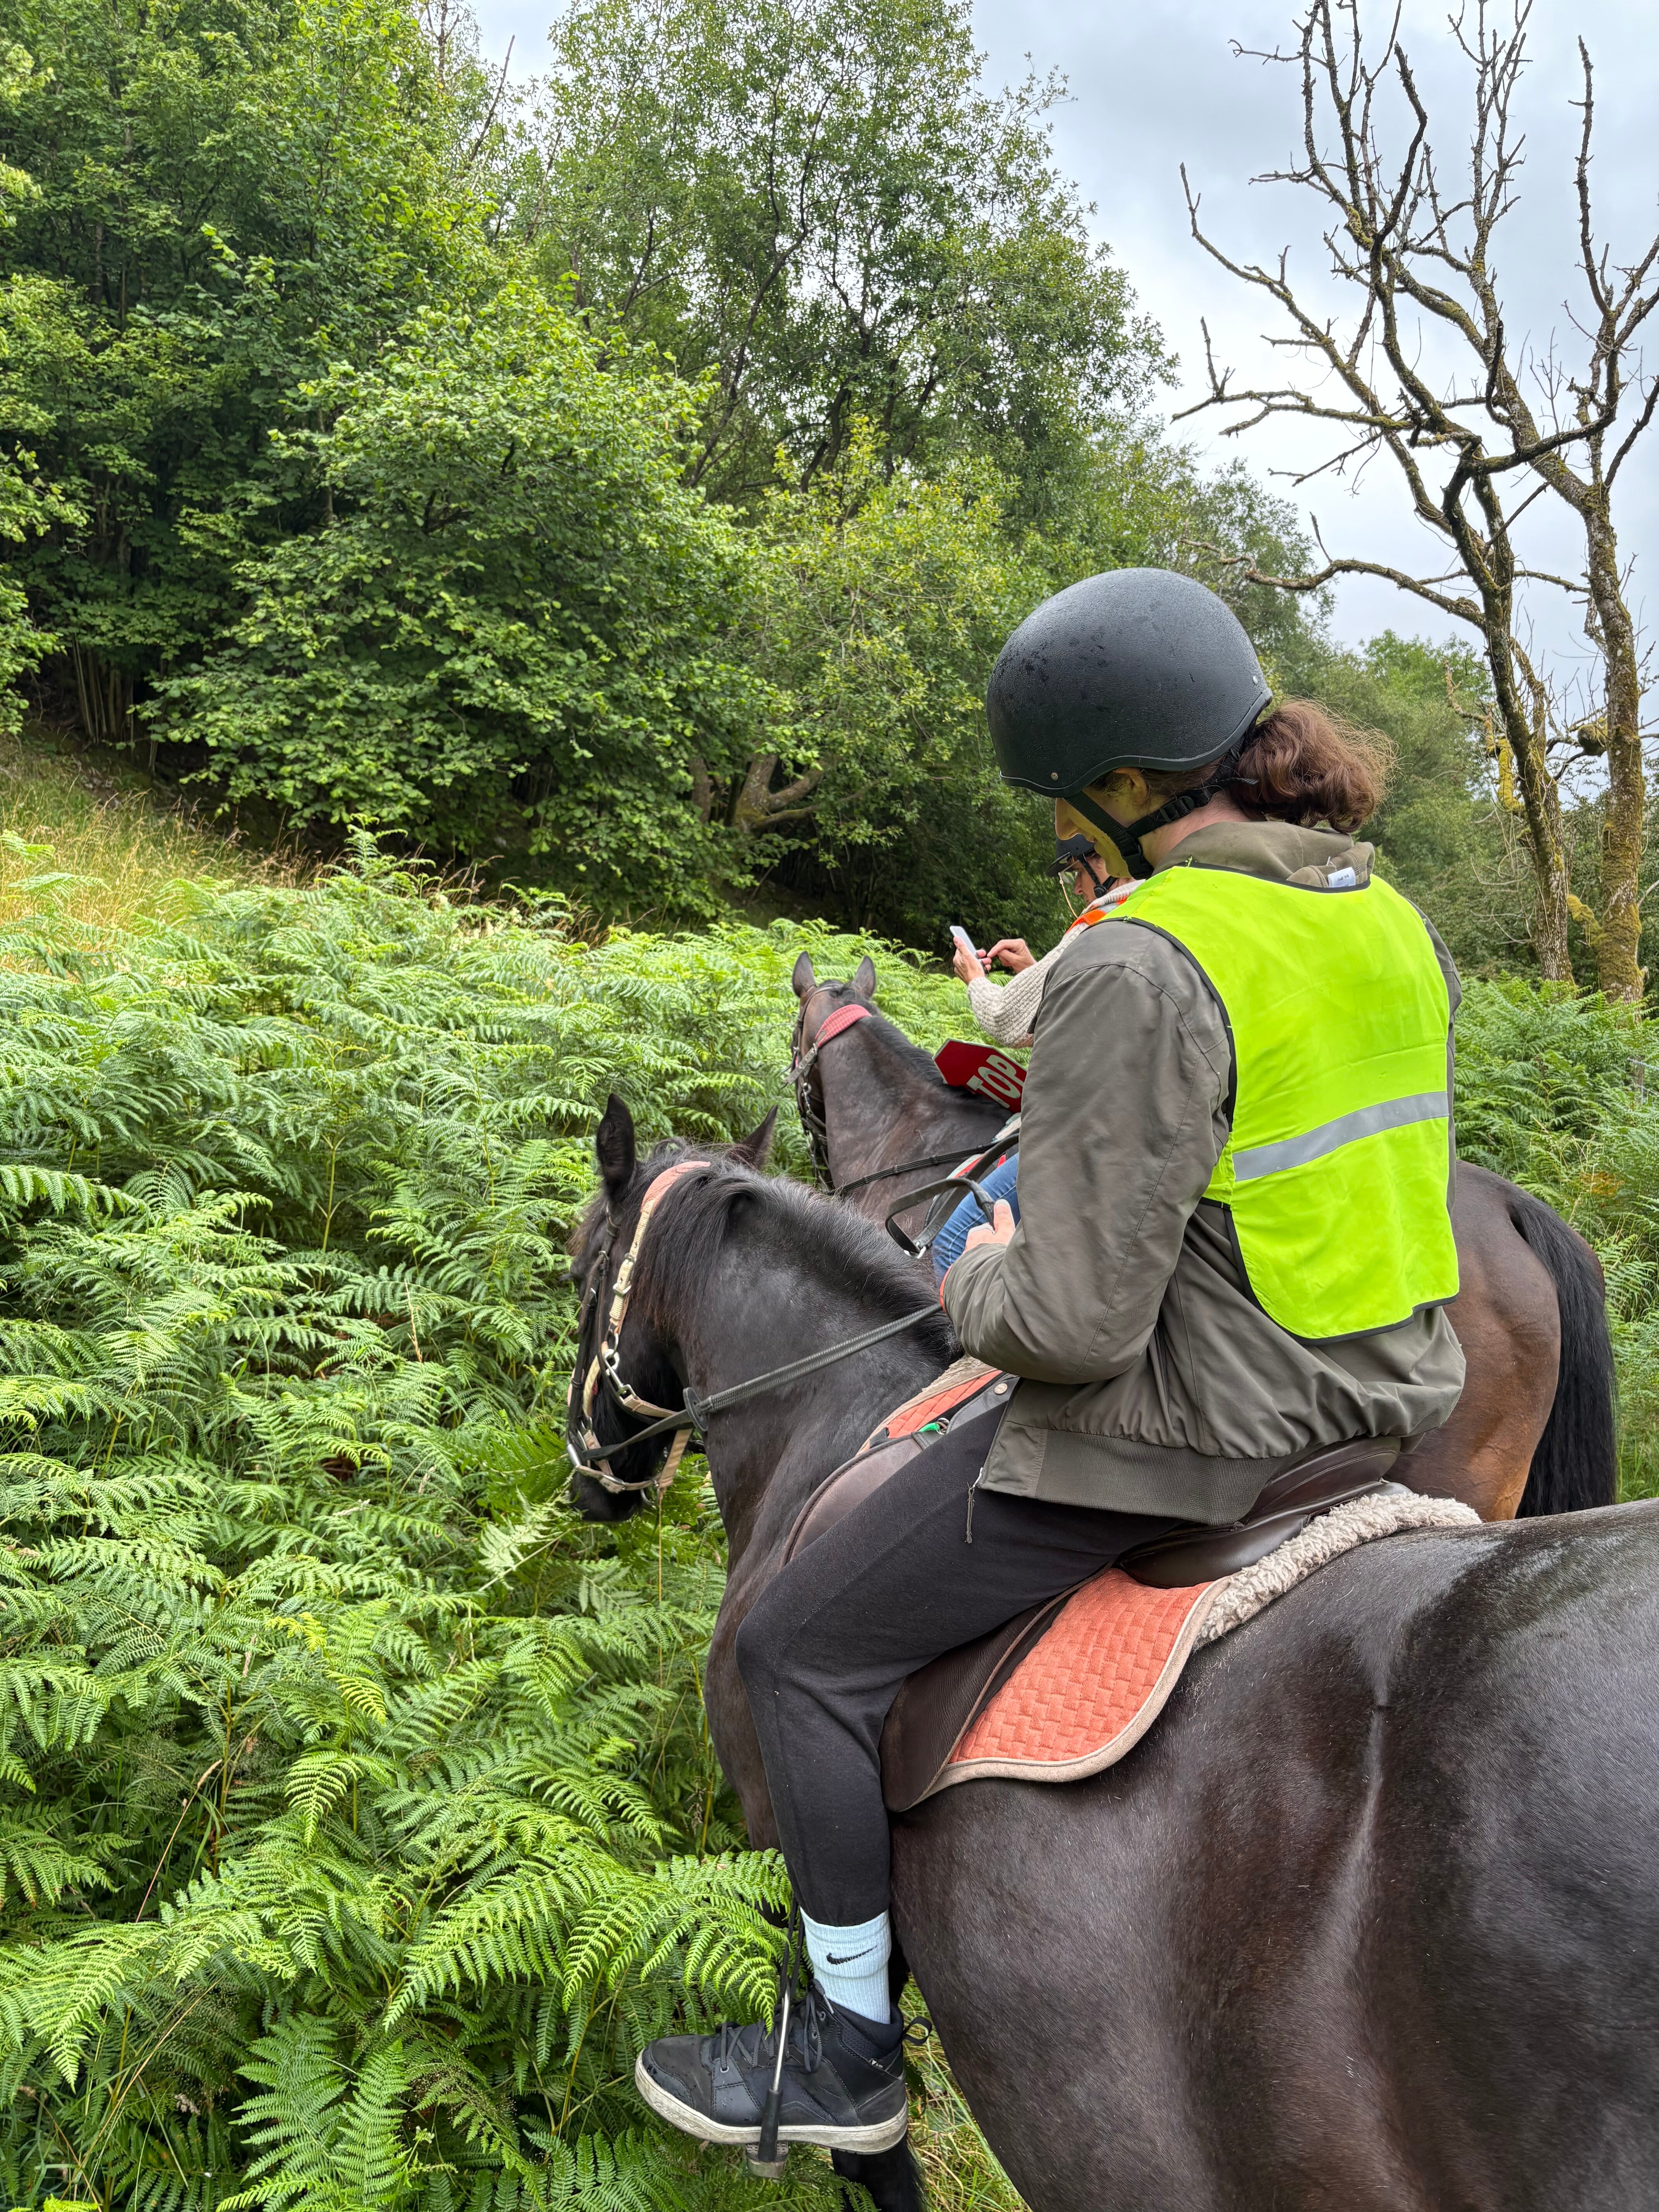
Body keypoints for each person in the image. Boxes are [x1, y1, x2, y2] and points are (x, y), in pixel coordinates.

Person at [633, 566, 1467, 2158]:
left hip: (1197, 1431)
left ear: (1139, 786)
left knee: (797, 1647)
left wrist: (969, 1267)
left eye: (1075, 811)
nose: (1071, 842)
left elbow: (1078, 1326)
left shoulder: (1143, 953)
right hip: (1384, 1405)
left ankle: (847, 2055)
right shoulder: (1376, 914)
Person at [927, 832, 1141, 1278]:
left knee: (953, 1242)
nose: (1078, 889)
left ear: (1103, 863)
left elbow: (1005, 1018)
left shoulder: (1107, 917)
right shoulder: (1148, 910)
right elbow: (1075, 1018)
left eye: (1076, 874)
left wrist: (974, 979)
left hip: (1083, 1127)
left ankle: (982, 1346)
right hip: (1120, 1121)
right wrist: (1032, 971)